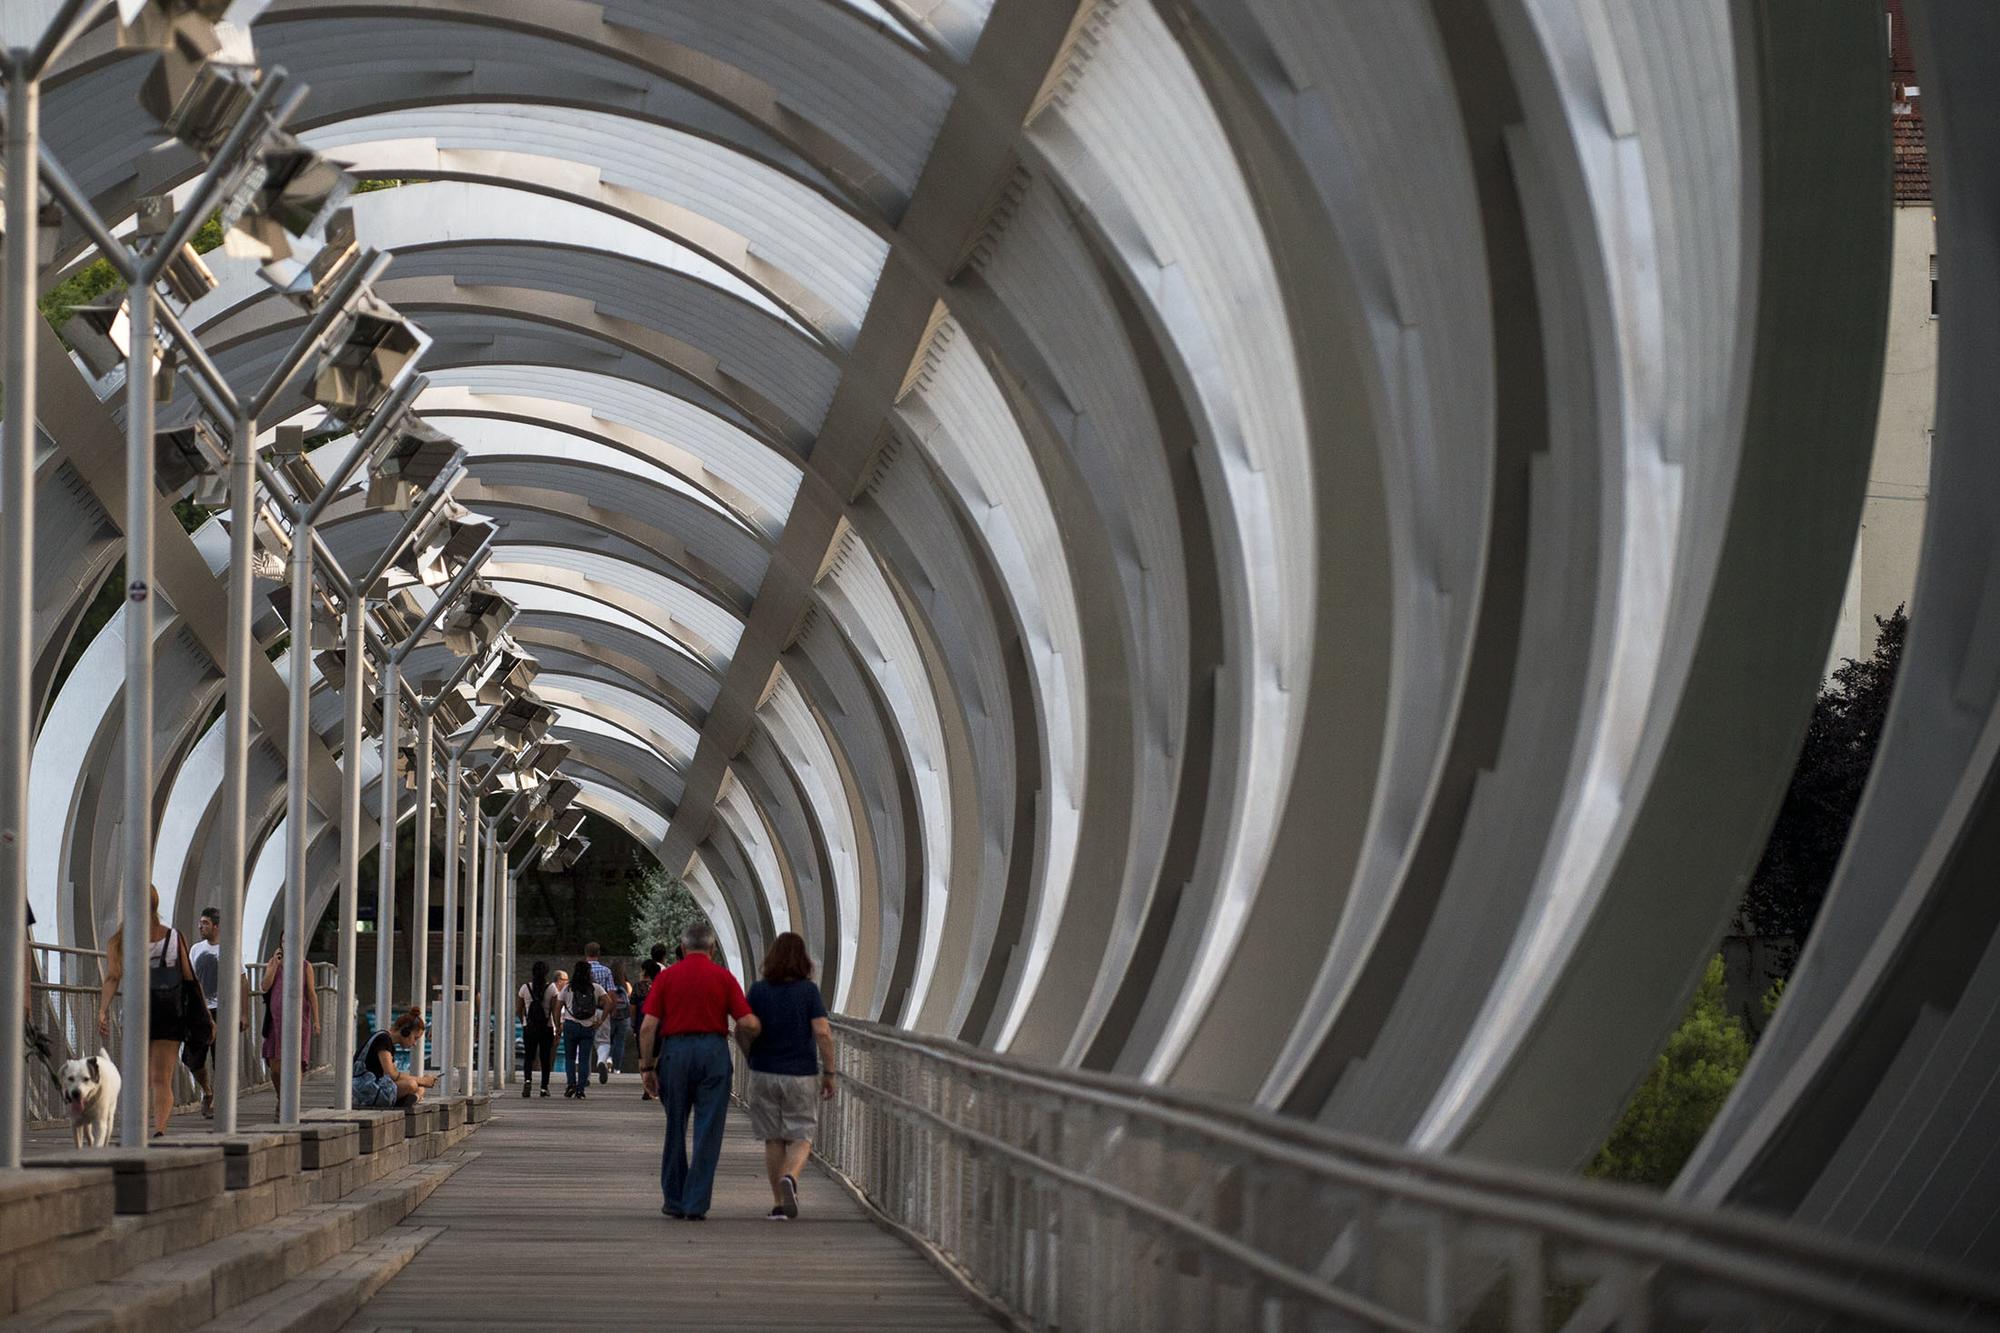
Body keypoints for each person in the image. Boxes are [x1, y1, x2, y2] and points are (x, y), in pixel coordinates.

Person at [638, 923, 760, 1220]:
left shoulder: (667, 978)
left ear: (682, 948)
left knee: (675, 1126)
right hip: (713, 1052)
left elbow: (648, 1027)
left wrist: (647, 1067)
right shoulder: (724, 977)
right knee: (708, 1130)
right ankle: (696, 1202)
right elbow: (747, 1023)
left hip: (676, 1053)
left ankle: (674, 1199)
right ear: (713, 948)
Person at [97, 887, 212, 1138]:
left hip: (137, 1014)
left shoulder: (120, 940)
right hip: (169, 1014)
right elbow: (189, 979)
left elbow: (113, 977)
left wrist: (103, 1010)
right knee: (162, 1077)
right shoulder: (172, 937)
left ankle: (135, 1128)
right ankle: (159, 1128)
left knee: (139, 1075)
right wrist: (203, 1015)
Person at [745, 933, 836, 1220]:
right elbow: (822, 1032)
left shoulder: (758, 991)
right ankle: (791, 1178)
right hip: (800, 1073)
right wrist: (830, 1072)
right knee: (801, 1136)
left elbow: (744, 1026)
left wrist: (750, 1055)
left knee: (773, 1139)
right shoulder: (808, 992)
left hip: (763, 1071)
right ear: (803, 959)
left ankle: (777, 1204)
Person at [184, 907, 249, 1118]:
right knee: (192, 1059)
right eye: (200, 922)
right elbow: (190, 980)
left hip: (224, 1011)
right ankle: (207, 1091)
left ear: (216, 926)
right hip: (200, 1011)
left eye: (204, 923)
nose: (200, 926)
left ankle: (220, 1103)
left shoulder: (229, 949)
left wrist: (244, 1013)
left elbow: (242, 980)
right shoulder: (195, 949)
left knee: (221, 1059)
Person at [259, 943, 320, 1105]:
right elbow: (264, 986)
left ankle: (289, 1104)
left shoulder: (305, 966)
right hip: (275, 1022)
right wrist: (274, 966)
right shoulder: (274, 963)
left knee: (296, 1062)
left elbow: (312, 994)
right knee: (275, 1067)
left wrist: (316, 1020)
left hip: (300, 1022)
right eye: (284, 940)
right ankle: (281, 1097)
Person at [353, 1008, 437, 1107]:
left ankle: (410, 1099)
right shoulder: (383, 1039)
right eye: (415, 1038)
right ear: (406, 1032)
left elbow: (394, 1076)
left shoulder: (388, 1042)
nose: (415, 1044)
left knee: (420, 1089)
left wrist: (422, 1082)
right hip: (365, 1091)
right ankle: (405, 1101)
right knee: (412, 1085)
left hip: (374, 1088)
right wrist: (422, 1080)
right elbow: (392, 1074)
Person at [557, 959, 606, 1099]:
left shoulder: (568, 988)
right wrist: (601, 1020)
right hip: (588, 1026)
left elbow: (557, 1007)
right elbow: (609, 1002)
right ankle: (581, 1089)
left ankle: (571, 1084)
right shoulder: (595, 988)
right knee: (585, 1059)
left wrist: (558, 1023)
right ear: (589, 973)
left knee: (570, 1058)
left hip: (570, 1025)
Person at [517, 961, 555, 1097]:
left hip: (530, 1027)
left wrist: (524, 1021)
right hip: (546, 1027)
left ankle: (527, 1081)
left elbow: (518, 1009)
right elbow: (555, 1010)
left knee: (529, 1056)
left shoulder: (525, 988)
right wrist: (557, 1025)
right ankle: (544, 1087)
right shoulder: (551, 988)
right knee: (545, 1057)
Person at [633, 951, 664, 1101]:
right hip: (660, 1025)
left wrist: (633, 1024)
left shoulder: (638, 987)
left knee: (642, 1057)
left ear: (644, 971)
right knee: (657, 1055)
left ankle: (646, 1085)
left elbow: (632, 1006)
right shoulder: (662, 986)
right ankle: (655, 1083)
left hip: (641, 1024)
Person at [599, 959, 633, 1084]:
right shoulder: (626, 985)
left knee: (608, 1039)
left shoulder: (608, 982)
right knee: (620, 1042)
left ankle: (608, 1058)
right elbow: (629, 999)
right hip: (624, 1017)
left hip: (610, 1015)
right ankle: (617, 1069)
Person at [583, 942, 614, 1080]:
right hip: (602, 1009)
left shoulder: (582, 970)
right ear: (599, 953)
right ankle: (601, 1061)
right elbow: (611, 992)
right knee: (603, 1041)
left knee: (585, 1041)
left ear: (585, 953)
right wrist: (612, 1008)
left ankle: (586, 1075)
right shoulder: (606, 971)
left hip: (584, 1011)